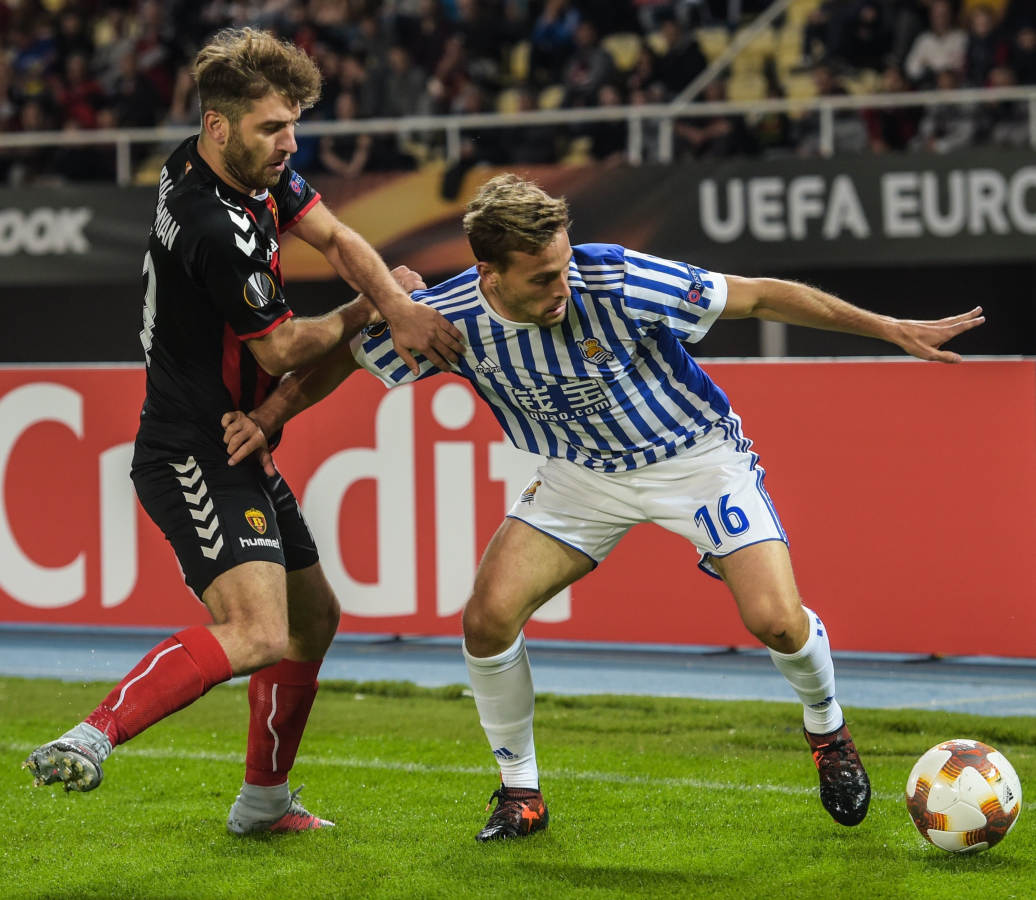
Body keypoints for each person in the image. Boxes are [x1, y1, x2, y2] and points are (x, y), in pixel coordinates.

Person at [221, 174, 984, 842]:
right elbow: (349, 360)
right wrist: (271, 417)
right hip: (580, 477)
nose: (563, 287)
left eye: (563, 265)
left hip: (695, 462)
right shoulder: (449, 316)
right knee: (487, 619)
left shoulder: (616, 278)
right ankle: (521, 793)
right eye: (543, 278)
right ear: (489, 271)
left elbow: (757, 296)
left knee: (777, 621)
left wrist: (887, 329)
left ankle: (828, 730)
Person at [22, 27, 463, 835]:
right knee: (260, 632)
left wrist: (396, 306)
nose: (289, 145)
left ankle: (262, 802)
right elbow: (286, 347)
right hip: (193, 449)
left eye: (293, 124)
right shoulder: (212, 223)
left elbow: (335, 235)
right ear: (220, 125)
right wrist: (371, 309)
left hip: (238, 440)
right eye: (273, 129)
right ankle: (92, 734)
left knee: (315, 617)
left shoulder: (216, 162)